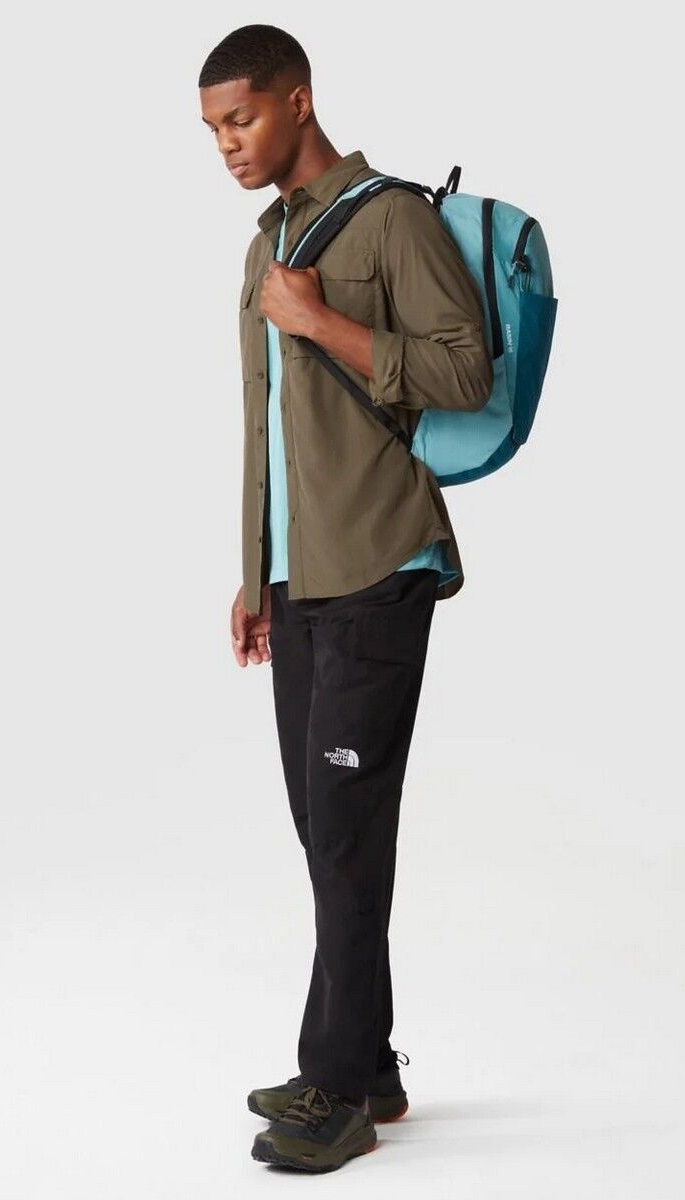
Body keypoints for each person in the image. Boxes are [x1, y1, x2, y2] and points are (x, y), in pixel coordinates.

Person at [199, 24, 493, 1174]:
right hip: (301, 578)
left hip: (379, 562)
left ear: (298, 101)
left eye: (242, 119)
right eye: (214, 130)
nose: (228, 145)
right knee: (326, 829)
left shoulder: (392, 220)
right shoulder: (264, 245)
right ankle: (366, 1064)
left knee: (348, 823)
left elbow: (465, 368)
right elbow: (269, 425)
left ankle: (335, 1090)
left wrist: (320, 320)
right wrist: (254, 570)